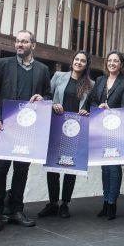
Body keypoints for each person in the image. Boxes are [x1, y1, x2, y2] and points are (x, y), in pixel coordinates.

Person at [0, 30, 52, 232]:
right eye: (17, 41)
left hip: (29, 129)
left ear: (33, 45)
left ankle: (16, 210)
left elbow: (48, 95)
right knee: (0, 169)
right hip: (5, 127)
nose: (19, 44)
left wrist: (43, 98)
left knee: (22, 170)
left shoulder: (43, 69)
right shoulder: (2, 64)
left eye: (24, 41)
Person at [37, 51, 94, 220]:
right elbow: (47, 96)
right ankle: (53, 202)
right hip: (56, 126)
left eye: (82, 61)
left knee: (71, 167)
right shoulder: (59, 76)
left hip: (76, 129)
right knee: (53, 166)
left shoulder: (91, 84)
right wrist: (53, 104)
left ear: (86, 65)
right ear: (72, 61)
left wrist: (87, 111)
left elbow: (92, 105)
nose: (79, 62)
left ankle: (65, 204)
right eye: (76, 59)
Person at [82, 51, 124, 220]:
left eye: (116, 61)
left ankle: (112, 203)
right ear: (106, 63)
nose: (112, 63)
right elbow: (91, 100)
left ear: (121, 65)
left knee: (114, 167)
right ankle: (105, 202)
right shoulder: (100, 80)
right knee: (104, 167)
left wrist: (109, 109)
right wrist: (93, 107)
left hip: (117, 130)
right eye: (110, 60)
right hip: (100, 128)